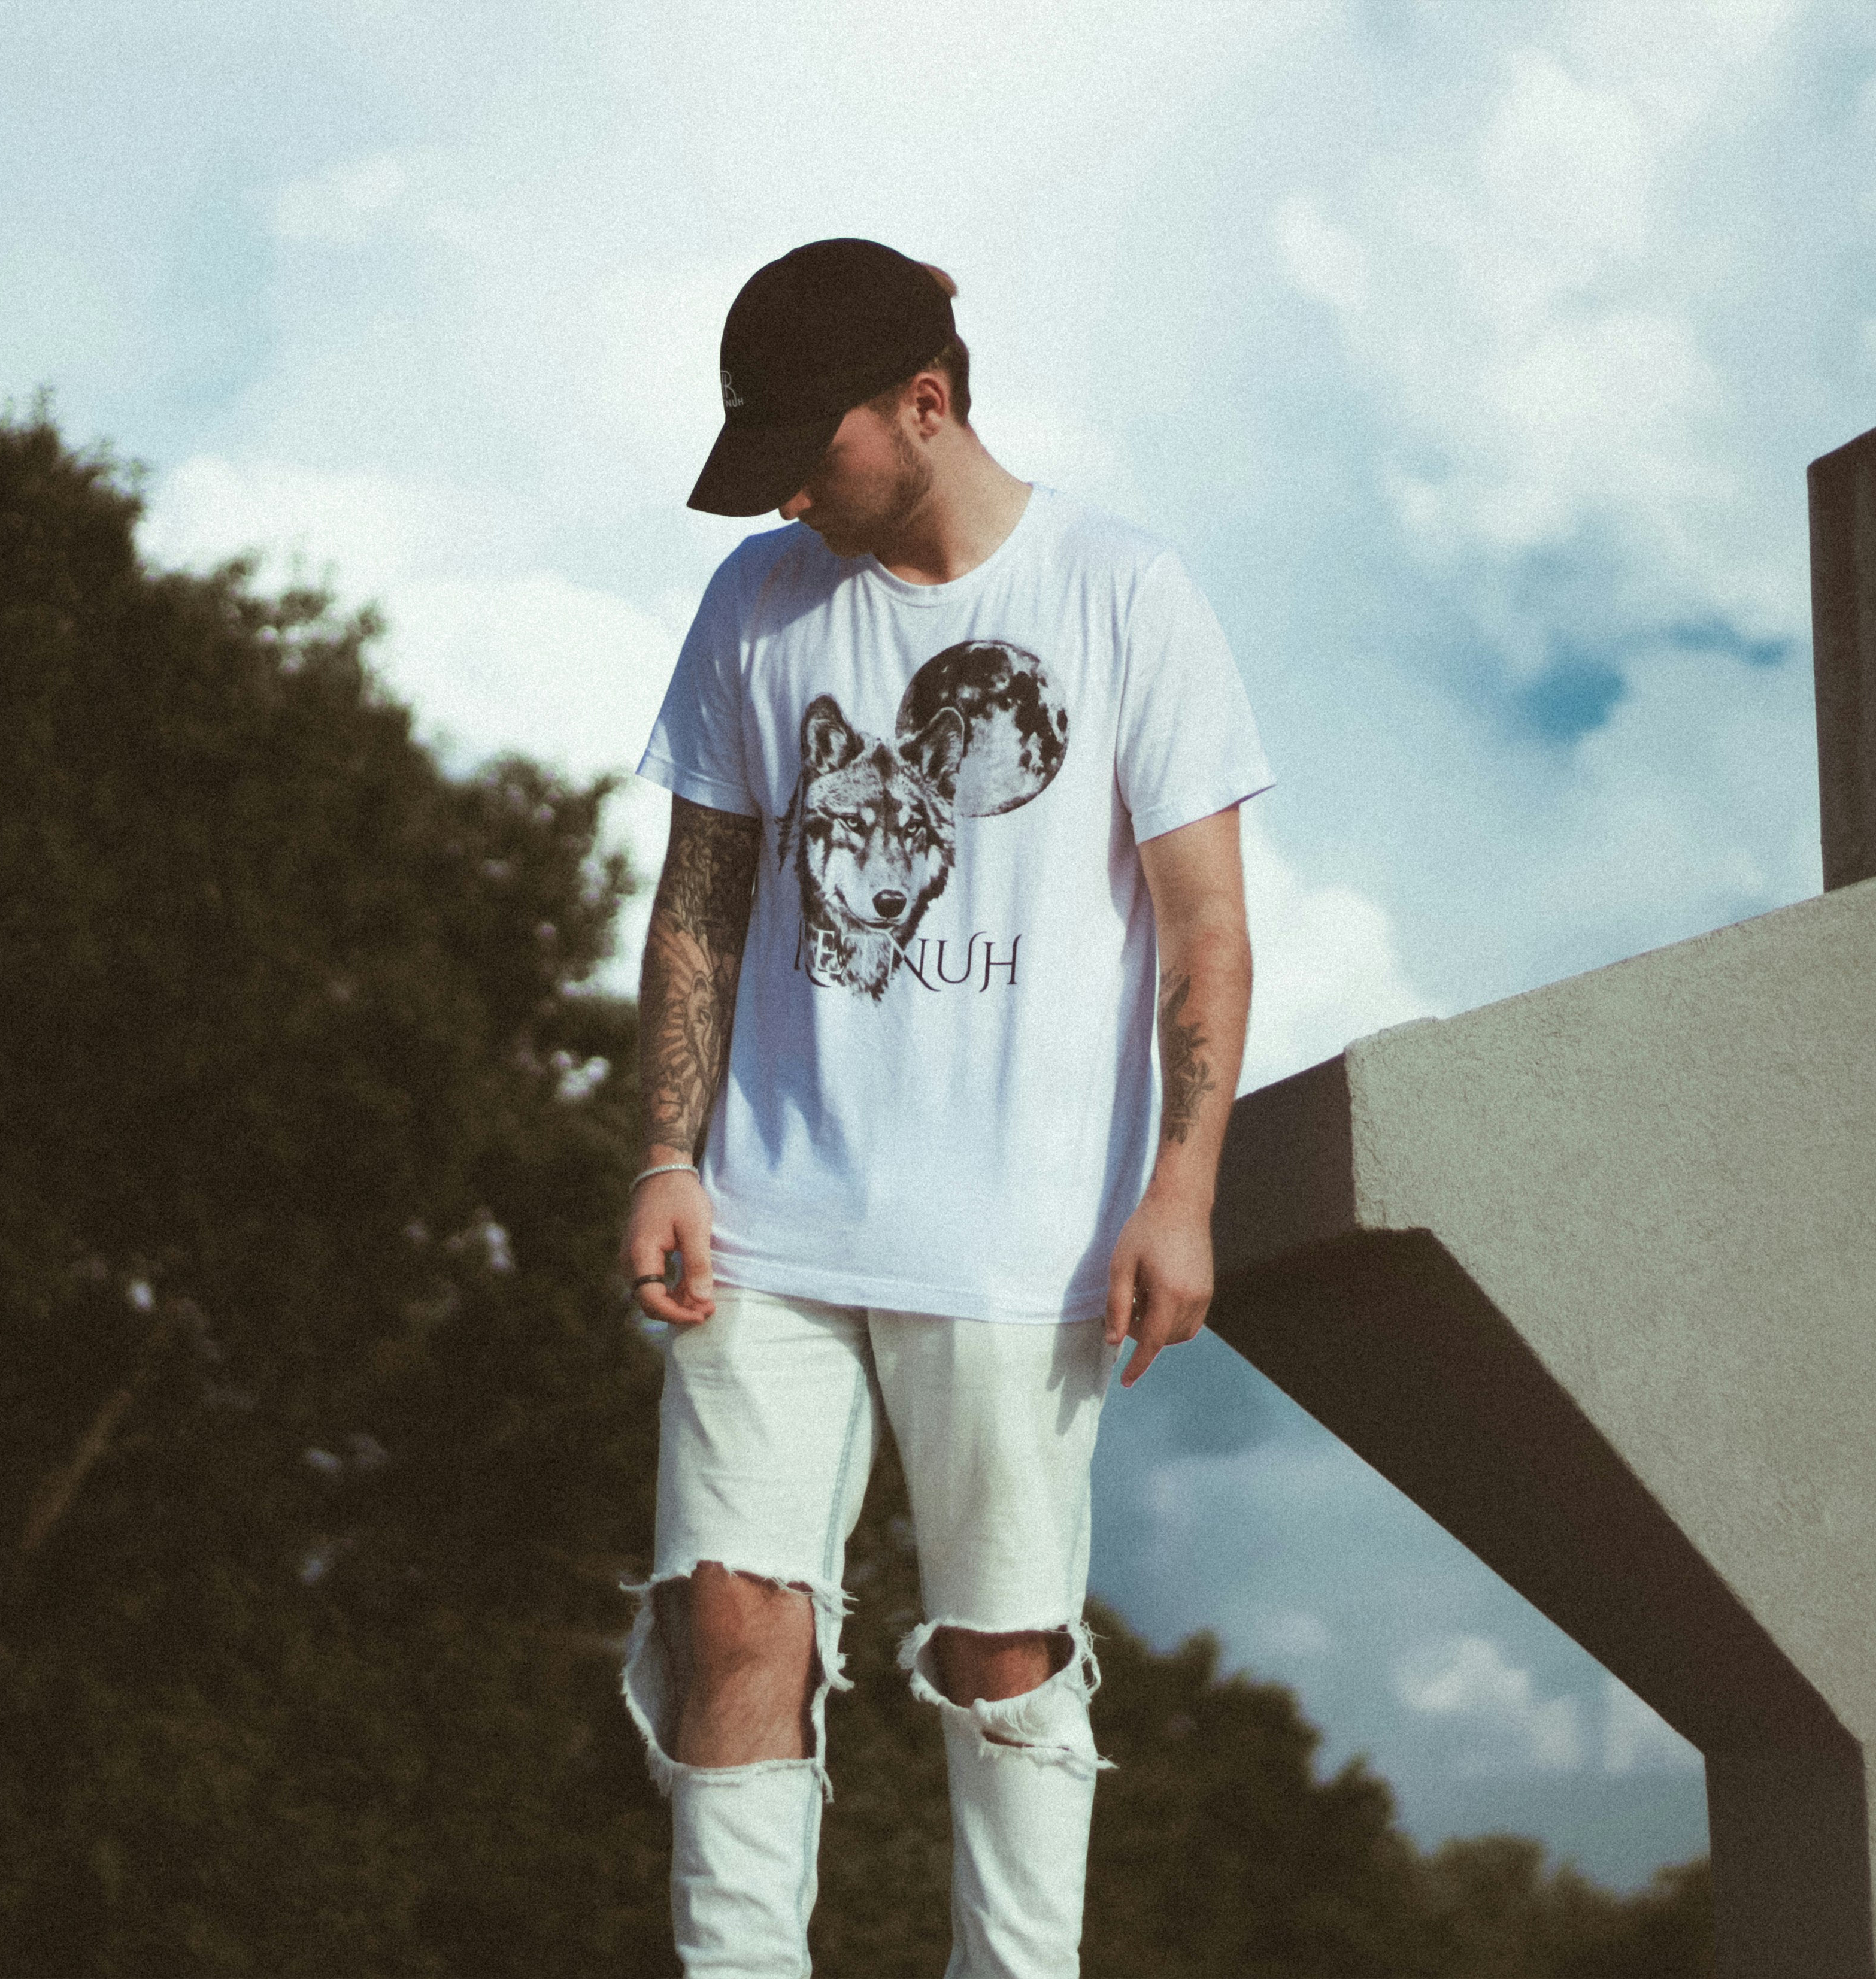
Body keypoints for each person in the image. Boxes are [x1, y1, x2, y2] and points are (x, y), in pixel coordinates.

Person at [618, 237, 1270, 1978]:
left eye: (804, 450)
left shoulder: (1124, 592)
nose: (787, 497)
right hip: (767, 1216)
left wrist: (1181, 1186)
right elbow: (700, 897)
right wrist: (666, 1152)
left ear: (928, 402)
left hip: (1021, 1228)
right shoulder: (757, 600)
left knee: (1001, 1650)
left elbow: (1204, 925)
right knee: (729, 1616)